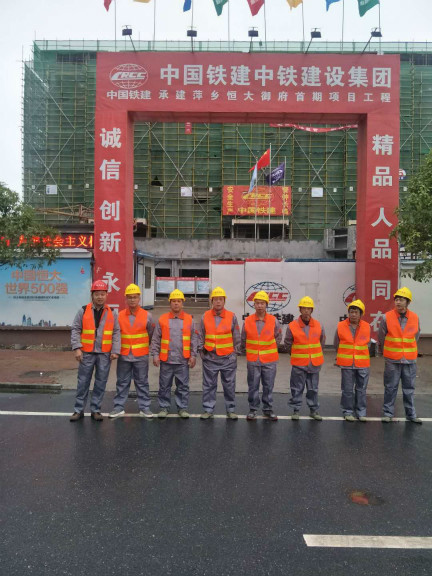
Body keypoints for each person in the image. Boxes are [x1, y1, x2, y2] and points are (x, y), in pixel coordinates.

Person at [70, 280, 120, 422]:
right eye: (97, 294)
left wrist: (115, 350)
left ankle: (96, 410)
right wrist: (77, 348)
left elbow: (116, 332)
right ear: (92, 295)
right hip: (86, 353)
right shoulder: (83, 310)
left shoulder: (112, 313)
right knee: (83, 382)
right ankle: (78, 410)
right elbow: (75, 329)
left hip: (104, 354)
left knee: (101, 382)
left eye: (102, 294)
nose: (100, 297)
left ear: (106, 295)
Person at [109, 283, 155, 419]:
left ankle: (144, 407)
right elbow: (115, 334)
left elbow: (151, 333)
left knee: (142, 382)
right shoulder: (119, 316)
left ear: (139, 298)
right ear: (126, 299)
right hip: (124, 355)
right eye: (129, 297)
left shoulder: (147, 315)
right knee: (122, 382)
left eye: (134, 297)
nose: (132, 300)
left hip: (141, 355)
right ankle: (118, 407)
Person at [151, 289, 198, 419]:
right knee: (164, 386)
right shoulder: (162, 319)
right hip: (166, 360)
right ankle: (164, 407)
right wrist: (155, 355)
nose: (176, 303)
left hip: (183, 360)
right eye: (174, 301)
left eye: (178, 301)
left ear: (182, 303)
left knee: (183, 386)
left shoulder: (189, 320)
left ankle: (182, 408)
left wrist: (193, 355)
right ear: (170, 303)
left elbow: (194, 339)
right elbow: (156, 338)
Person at [378, 287, 422, 424]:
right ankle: (388, 413)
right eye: (396, 299)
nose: (398, 302)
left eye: (401, 300)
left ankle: (411, 414)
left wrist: (407, 349)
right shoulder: (386, 317)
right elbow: (381, 337)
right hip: (392, 359)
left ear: (407, 302)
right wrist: (388, 351)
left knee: (409, 388)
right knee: (390, 387)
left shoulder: (415, 317)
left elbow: (416, 335)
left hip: (409, 360)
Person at [197, 286, 241, 420]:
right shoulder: (205, 316)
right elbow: (200, 335)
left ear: (224, 301)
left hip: (228, 358)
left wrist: (234, 354)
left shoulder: (231, 316)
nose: (218, 302)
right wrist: (202, 352)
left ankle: (231, 410)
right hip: (210, 358)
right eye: (215, 299)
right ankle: (208, 409)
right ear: (212, 301)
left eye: (220, 299)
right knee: (209, 385)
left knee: (229, 385)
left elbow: (236, 336)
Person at [241, 290, 282, 421]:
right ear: (254, 305)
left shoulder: (273, 321)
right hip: (253, 360)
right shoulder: (248, 321)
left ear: (266, 305)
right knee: (253, 386)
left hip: (269, 360)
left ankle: (268, 409)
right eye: (257, 303)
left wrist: (269, 349)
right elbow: (243, 338)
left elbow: (278, 337)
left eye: (262, 303)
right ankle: (253, 409)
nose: (259, 305)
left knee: (268, 386)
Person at [284, 296, 325, 421]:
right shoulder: (292, 326)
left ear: (312, 310)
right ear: (300, 310)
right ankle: (296, 410)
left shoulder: (318, 325)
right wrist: (296, 354)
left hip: (314, 363)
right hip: (299, 364)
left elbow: (322, 342)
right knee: (297, 388)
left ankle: (313, 410)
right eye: (304, 308)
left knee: (313, 389)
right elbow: (288, 343)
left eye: (309, 308)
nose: (306, 311)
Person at [334, 299, 370, 422]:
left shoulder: (367, 326)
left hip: (362, 363)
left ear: (361, 314)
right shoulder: (341, 325)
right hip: (347, 363)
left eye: (356, 312)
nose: (353, 314)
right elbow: (336, 343)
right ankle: (347, 411)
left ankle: (361, 412)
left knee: (361, 389)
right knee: (347, 389)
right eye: (351, 312)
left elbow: (368, 344)